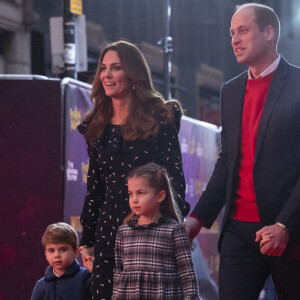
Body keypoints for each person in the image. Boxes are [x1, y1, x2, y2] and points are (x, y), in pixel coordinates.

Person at [184, 3, 300, 299]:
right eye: (232, 33)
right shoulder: (231, 91)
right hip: (237, 231)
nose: (234, 39)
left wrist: (285, 223)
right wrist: (196, 219)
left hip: (288, 231)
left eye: (243, 31)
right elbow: (228, 161)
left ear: (269, 32)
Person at [77, 40, 190, 300]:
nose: (106, 74)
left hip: (151, 233)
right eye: (103, 68)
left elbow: (174, 179)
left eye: (115, 67)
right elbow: (94, 188)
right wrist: (88, 240)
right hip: (108, 235)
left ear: (133, 74)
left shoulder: (161, 117)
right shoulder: (96, 126)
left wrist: (172, 228)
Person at [112, 162, 200, 299]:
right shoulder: (124, 232)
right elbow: (119, 272)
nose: (134, 200)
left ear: (160, 196)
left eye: (140, 193)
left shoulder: (174, 230)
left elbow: (187, 273)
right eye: (130, 194)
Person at [31, 222, 92, 300]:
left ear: (75, 252)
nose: (57, 255)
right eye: (51, 250)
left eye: (63, 249)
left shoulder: (86, 276)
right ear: (46, 254)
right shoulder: (40, 285)